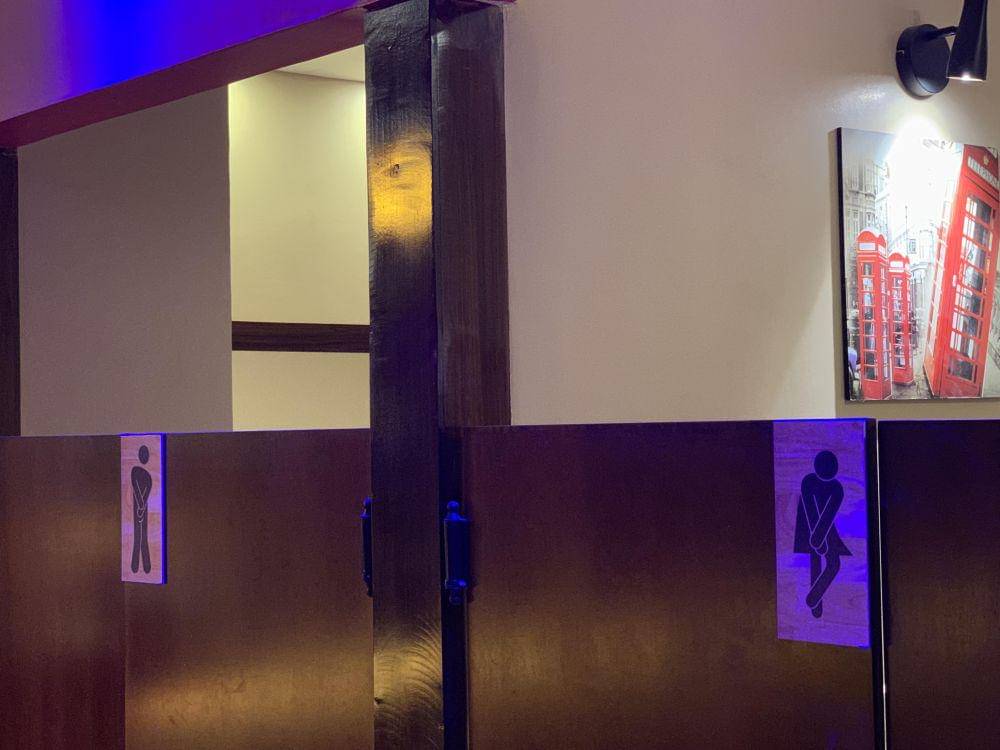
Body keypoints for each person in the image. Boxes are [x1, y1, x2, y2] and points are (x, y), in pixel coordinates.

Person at [794, 450, 851, 618]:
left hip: (824, 529)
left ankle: (813, 599)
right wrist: (817, 540)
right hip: (809, 526)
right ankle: (814, 605)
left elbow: (828, 514)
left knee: (833, 563)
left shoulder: (836, 489)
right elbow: (810, 509)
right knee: (815, 559)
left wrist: (819, 539)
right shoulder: (808, 482)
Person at [131, 445, 153, 574]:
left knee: (143, 536)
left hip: (141, 508)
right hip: (138, 508)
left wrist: (141, 506)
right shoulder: (135, 470)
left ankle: (146, 566)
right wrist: (141, 505)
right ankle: (135, 567)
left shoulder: (148, 476)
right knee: (138, 536)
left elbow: (146, 492)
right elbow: (136, 488)